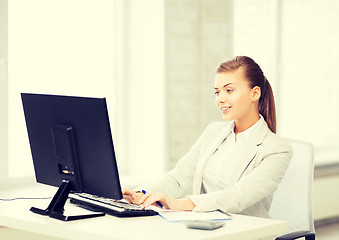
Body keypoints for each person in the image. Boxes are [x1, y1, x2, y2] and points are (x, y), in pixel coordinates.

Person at [122, 56, 293, 218]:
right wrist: (139, 194)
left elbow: (238, 196)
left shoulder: (277, 150)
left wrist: (177, 203)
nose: (220, 99)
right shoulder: (214, 131)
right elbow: (177, 178)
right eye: (217, 92)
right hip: (203, 227)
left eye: (229, 90)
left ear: (254, 93)